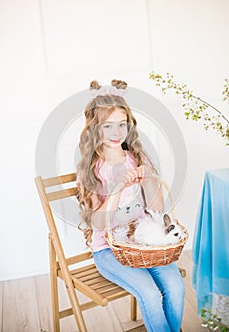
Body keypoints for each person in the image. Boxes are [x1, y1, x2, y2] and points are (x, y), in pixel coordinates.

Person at [77, 79, 185, 332]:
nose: (116, 133)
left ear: (129, 125)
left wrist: (147, 179)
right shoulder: (91, 168)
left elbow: (157, 210)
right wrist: (115, 191)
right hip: (108, 250)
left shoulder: (136, 157)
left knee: (175, 287)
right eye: (108, 126)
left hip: (143, 244)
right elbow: (98, 223)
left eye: (122, 125)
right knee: (150, 294)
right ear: (95, 128)